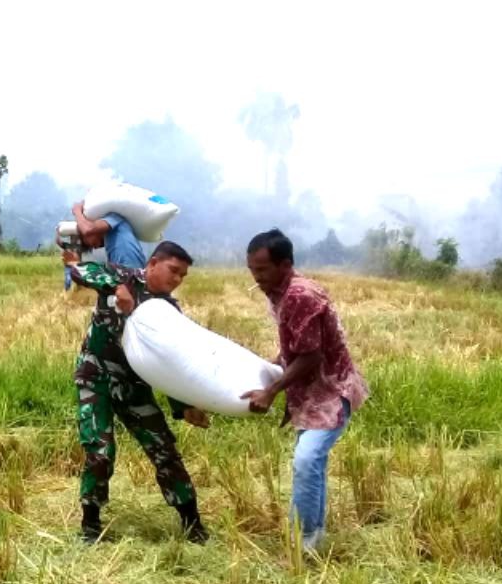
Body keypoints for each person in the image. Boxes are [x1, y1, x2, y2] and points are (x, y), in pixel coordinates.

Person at [61, 240, 211, 543]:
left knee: (164, 450)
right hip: (97, 377)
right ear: (153, 263)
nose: (177, 280)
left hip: (134, 386)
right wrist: (73, 262)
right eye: (173, 270)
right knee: (99, 451)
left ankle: (192, 522)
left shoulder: (169, 310)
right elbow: (85, 273)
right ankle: (90, 525)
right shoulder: (120, 277)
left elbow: (168, 361)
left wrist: (185, 405)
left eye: (183, 275)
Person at [240, 229, 369, 555]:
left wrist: (271, 391)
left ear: (285, 265)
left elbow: (310, 357)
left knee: (307, 459)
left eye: (262, 270)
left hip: (329, 391)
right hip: (310, 391)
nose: (256, 278)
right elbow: (294, 348)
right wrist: (269, 369)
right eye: (252, 270)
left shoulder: (299, 296)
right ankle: (314, 535)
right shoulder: (279, 292)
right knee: (312, 463)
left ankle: (305, 540)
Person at [72, 201, 147, 269]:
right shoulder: (110, 240)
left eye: (89, 244)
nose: (95, 247)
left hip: (132, 272)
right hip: (127, 274)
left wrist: (77, 211)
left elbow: (88, 230)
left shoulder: (114, 218)